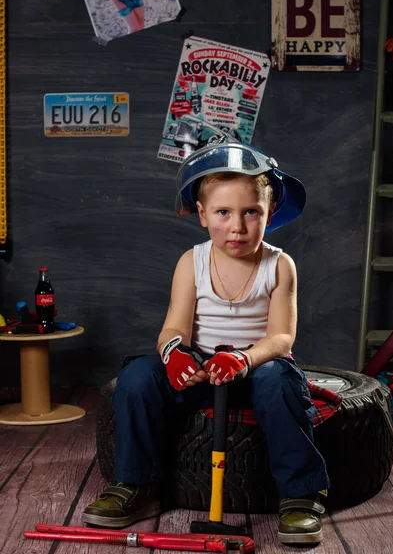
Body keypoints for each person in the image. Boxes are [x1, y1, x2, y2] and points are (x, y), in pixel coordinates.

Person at [83, 141, 332, 545]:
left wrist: (244, 359)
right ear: (202, 215)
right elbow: (172, 328)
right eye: (223, 213)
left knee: (280, 380)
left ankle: (300, 494)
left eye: (252, 212)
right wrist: (175, 353)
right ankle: (137, 486)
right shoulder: (191, 262)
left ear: (269, 213)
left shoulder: (279, 264)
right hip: (201, 374)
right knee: (138, 376)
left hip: (256, 374)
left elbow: (282, 336)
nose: (238, 226)